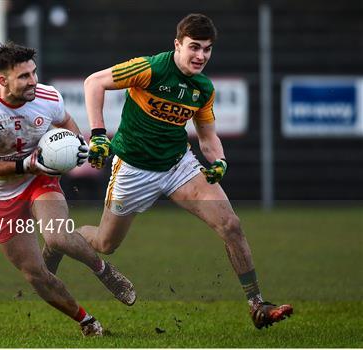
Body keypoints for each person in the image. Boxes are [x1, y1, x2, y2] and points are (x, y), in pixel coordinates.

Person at [79, 13, 293, 329]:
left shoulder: (203, 89)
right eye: (194, 47)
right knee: (105, 244)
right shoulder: (150, 67)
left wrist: (219, 160)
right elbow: (94, 82)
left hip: (178, 166)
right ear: (177, 44)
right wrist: (98, 133)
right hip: (133, 169)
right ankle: (66, 238)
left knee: (230, 224)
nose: (201, 56)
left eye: (207, 49)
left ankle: (257, 304)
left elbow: (208, 138)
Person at [0, 42, 136, 337]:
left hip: (40, 179)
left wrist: (77, 145)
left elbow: (66, 122)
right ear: (3, 81)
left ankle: (105, 272)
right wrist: (22, 165)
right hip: (0, 193)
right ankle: (86, 320)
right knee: (35, 274)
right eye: (24, 76)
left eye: (34, 72)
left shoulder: (48, 96)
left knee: (58, 236)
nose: (33, 81)